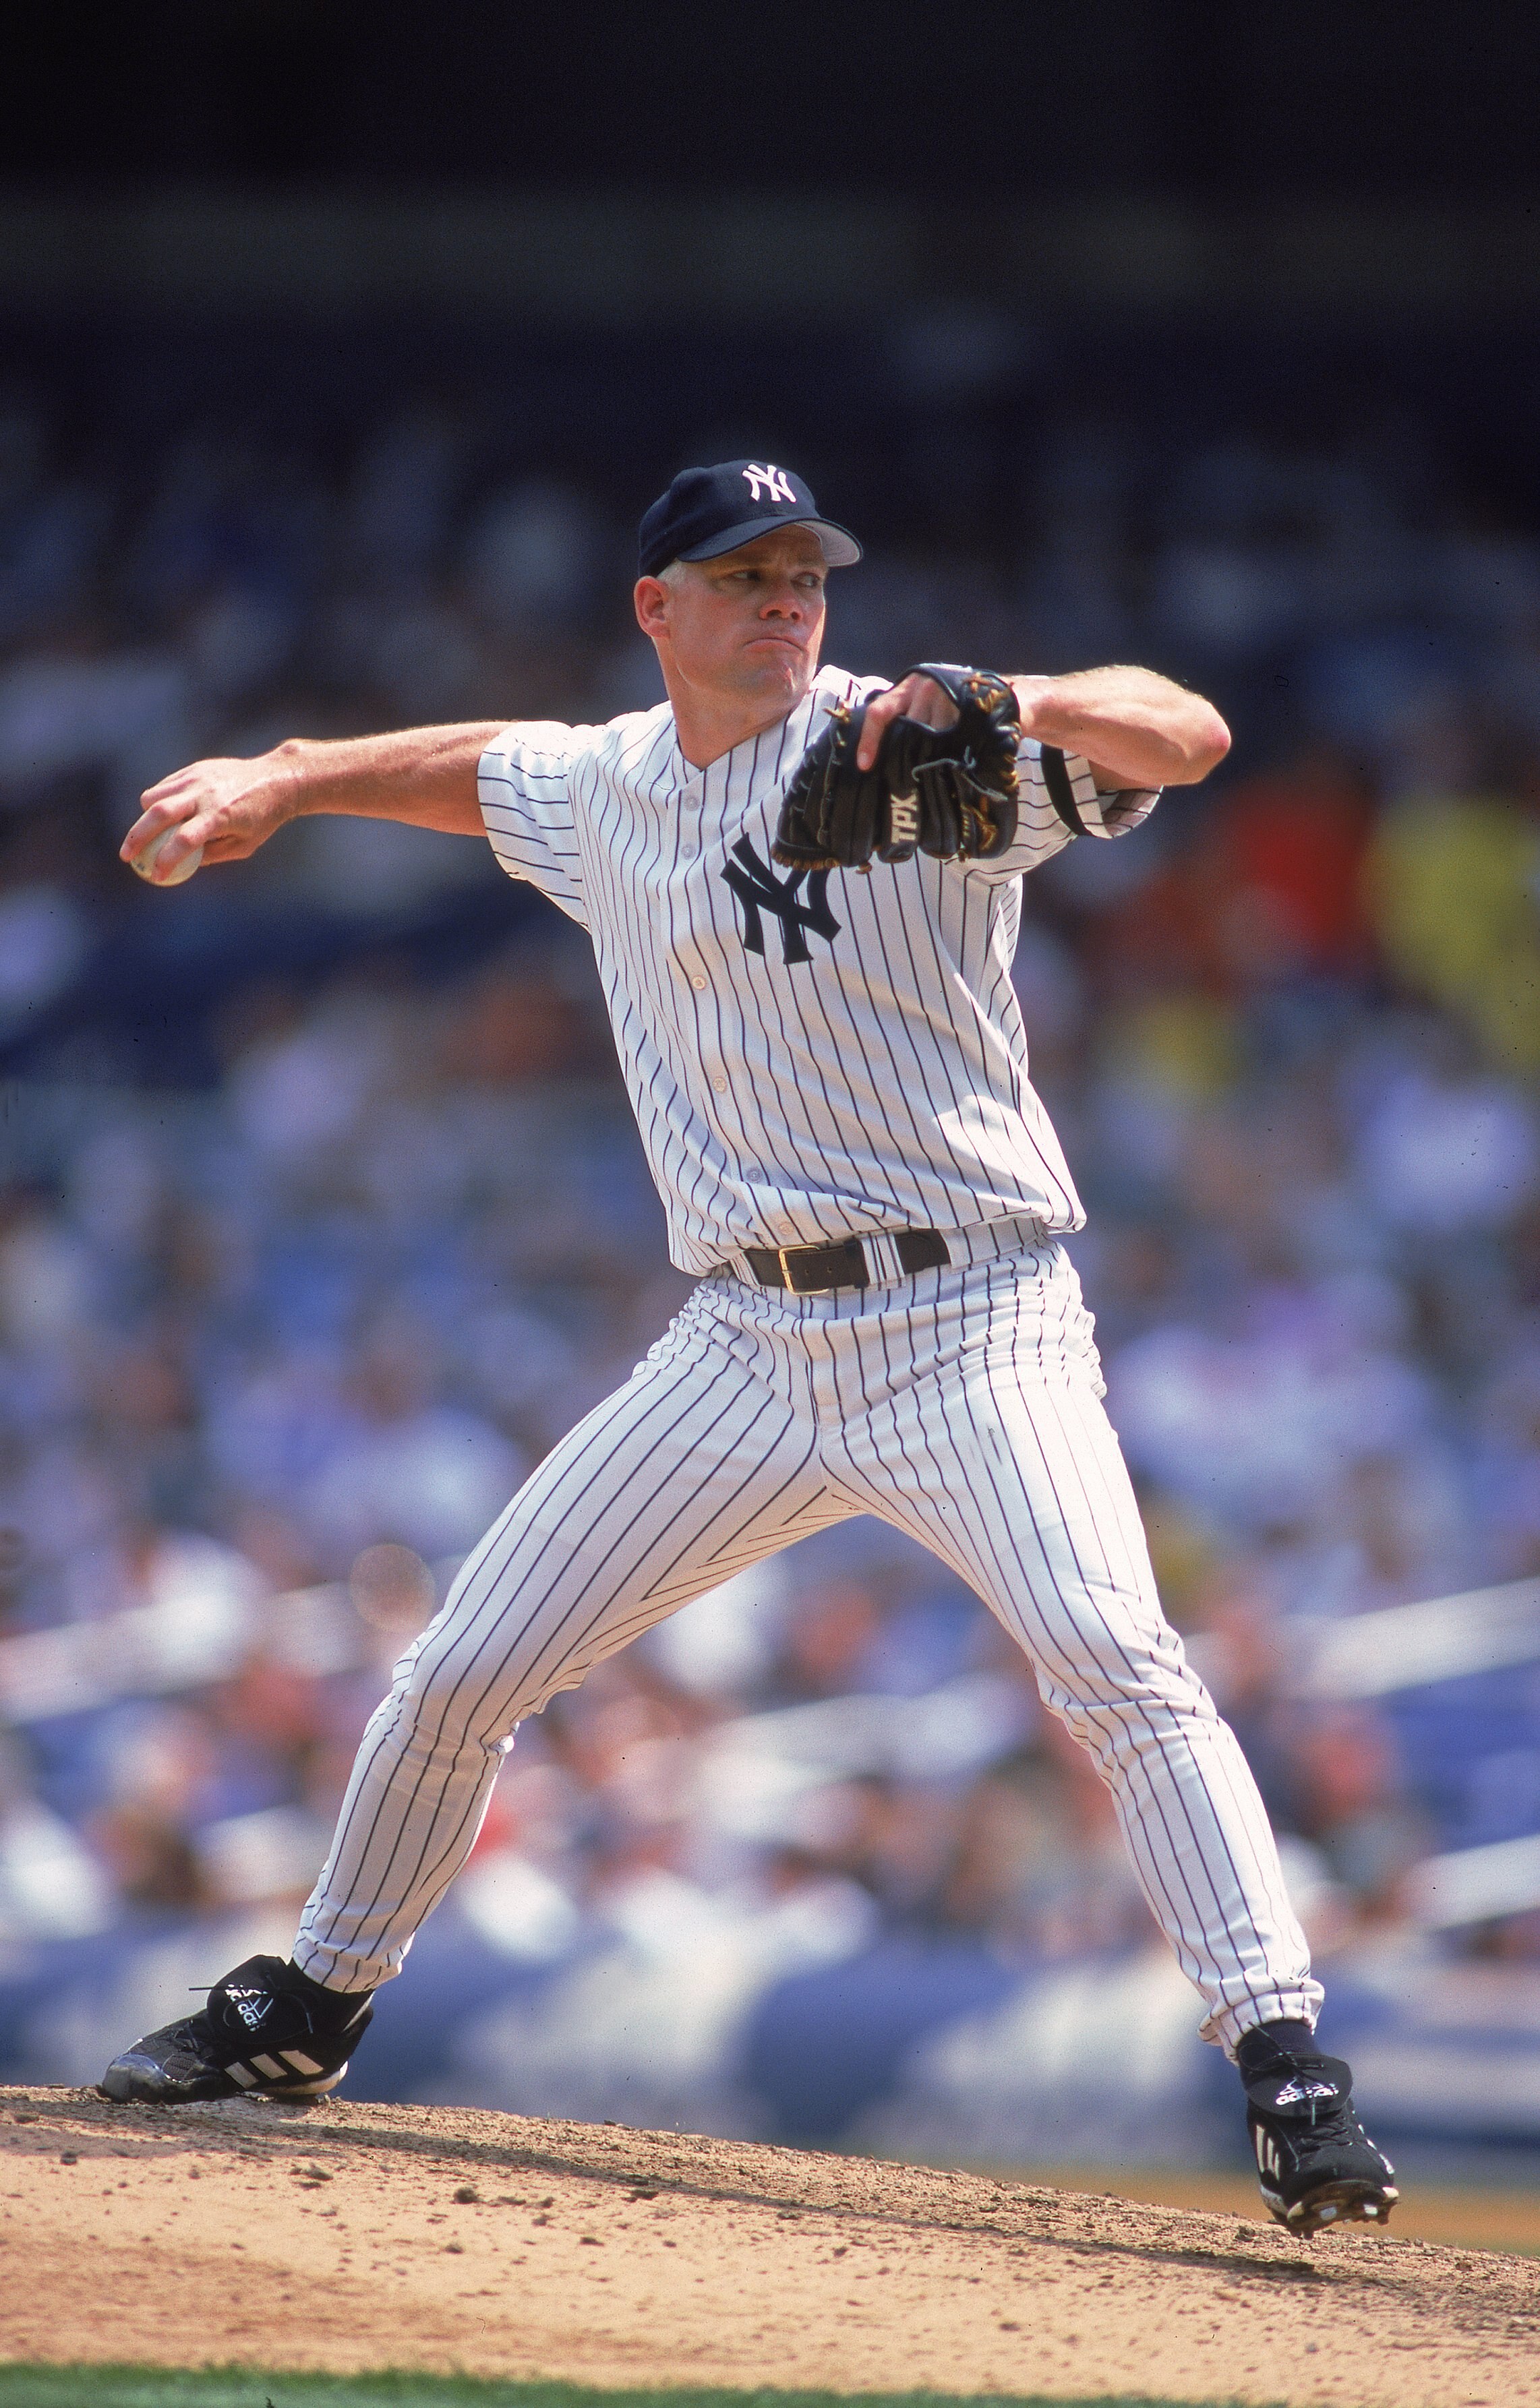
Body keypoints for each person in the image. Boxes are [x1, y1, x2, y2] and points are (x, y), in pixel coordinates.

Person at [100, 459, 1396, 2237]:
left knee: (1114, 1653)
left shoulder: (901, 751)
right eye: (745, 574)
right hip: (743, 1340)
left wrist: (1011, 701)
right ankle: (313, 2007)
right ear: (659, 610)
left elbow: (1184, 734)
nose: (790, 600)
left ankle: (1285, 2063)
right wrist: (287, 778)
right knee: (463, 1664)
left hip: (971, 1317)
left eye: (807, 573)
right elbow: (476, 769)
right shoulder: (608, 783)